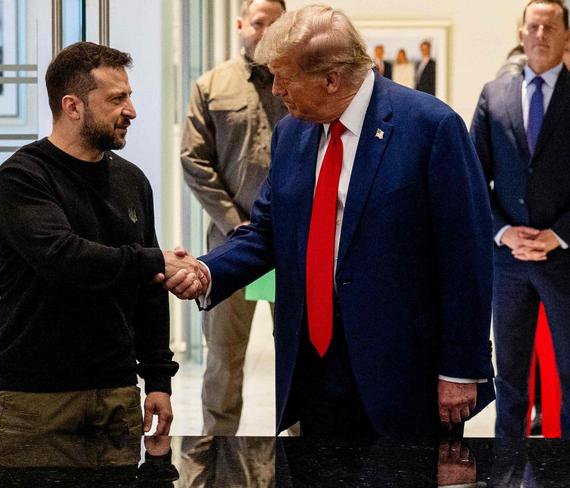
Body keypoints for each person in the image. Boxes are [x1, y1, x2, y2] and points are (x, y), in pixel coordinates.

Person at [164, 5, 495, 439]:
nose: (276, 88)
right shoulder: (292, 133)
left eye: (284, 77)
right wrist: (207, 270)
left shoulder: (431, 128)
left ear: (331, 79)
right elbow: (267, 230)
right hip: (313, 365)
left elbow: (466, 255)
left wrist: (461, 368)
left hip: (403, 371)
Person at [0, 41, 207, 439]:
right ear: (72, 106)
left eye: (130, 96)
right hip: (37, 400)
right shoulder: (22, 177)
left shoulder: (131, 180)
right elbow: (63, 257)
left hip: (117, 394)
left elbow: (149, 290)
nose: (131, 110)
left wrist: (158, 379)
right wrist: (155, 261)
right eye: (116, 98)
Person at [180, 0, 286, 435]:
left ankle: (308, 463)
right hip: (230, 247)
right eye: (259, 24)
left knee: (302, 361)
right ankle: (215, 457)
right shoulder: (211, 85)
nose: (266, 33)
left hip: (291, 248)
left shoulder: (301, 85)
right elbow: (194, 159)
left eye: (276, 26)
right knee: (223, 361)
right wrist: (234, 222)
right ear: (242, 25)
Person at [470, 0, 570, 438]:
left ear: (566, 36)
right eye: (534, 26)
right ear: (520, 32)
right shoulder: (495, 94)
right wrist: (504, 231)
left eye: (551, 27)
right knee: (509, 378)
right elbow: (474, 178)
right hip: (508, 262)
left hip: (564, 260)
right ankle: (506, 469)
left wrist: (558, 236)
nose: (541, 35)